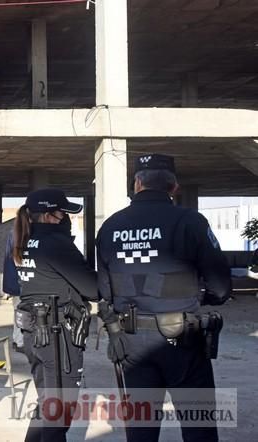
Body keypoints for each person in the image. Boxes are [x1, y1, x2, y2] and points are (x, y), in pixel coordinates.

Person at [96, 154, 231, 442]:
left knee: (141, 428)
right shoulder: (190, 222)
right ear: (174, 187)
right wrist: (197, 294)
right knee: (199, 426)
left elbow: (105, 292)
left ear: (137, 183)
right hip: (182, 340)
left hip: (130, 343)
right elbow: (221, 288)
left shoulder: (110, 227)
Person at [13, 188, 98, 442]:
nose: (66, 219)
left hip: (34, 335)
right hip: (57, 337)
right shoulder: (55, 244)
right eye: (63, 213)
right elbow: (92, 289)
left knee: (47, 405)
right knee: (59, 411)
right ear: (50, 215)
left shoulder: (23, 240)